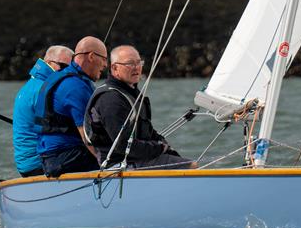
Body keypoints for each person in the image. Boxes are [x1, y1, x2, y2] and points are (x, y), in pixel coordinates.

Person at [85, 45, 195, 170]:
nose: (136, 67)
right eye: (130, 64)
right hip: (119, 165)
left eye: (139, 62)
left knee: (181, 160)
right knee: (191, 166)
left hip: (138, 159)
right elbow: (122, 145)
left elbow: (148, 132)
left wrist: (165, 147)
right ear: (115, 68)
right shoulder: (110, 99)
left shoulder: (132, 94)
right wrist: (159, 148)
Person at [35, 36, 108, 177]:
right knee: (122, 160)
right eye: (104, 59)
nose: (106, 65)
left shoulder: (64, 77)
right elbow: (88, 137)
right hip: (63, 158)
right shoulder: (75, 87)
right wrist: (109, 164)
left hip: (51, 156)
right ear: (91, 56)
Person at [12, 45, 74, 177]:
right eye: (64, 67)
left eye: (71, 69)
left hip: (25, 165)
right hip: (39, 164)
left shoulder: (30, 85)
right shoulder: (46, 90)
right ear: (48, 63)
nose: (69, 73)